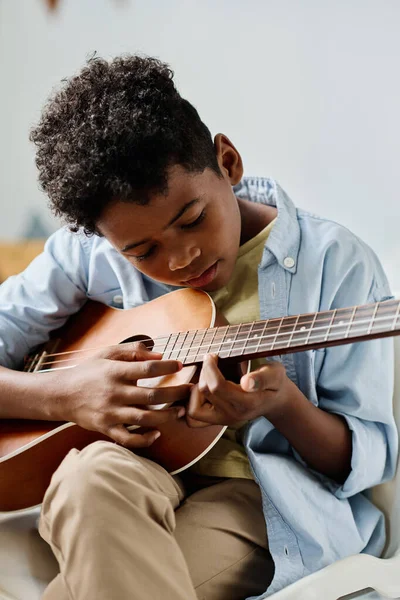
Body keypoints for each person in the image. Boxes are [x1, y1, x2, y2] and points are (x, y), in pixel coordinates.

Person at [0, 55, 397, 600]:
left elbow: (370, 458)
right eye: (142, 252)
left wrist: (282, 406)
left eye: (192, 219)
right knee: (85, 474)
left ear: (227, 162)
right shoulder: (87, 256)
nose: (182, 258)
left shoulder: (337, 263)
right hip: (130, 469)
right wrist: (62, 395)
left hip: (260, 497)